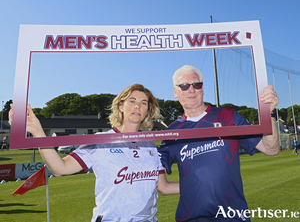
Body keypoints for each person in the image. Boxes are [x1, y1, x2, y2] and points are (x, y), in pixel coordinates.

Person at [9, 84, 179, 222]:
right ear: (121, 105)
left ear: (148, 110)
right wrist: (38, 132)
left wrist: (203, 184)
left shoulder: (150, 146)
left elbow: (163, 187)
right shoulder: (101, 141)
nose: (138, 106)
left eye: (144, 103)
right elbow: (60, 168)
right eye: (132, 100)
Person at [159, 65, 280, 222]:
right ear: (175, 92)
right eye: (184, 86)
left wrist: (268, 112)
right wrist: (196, 186)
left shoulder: (228, 116)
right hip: (191, 218)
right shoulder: (171, 133)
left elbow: (271, 149)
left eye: (197, 84)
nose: (191, 90)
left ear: (203, 89)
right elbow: (162, 187)